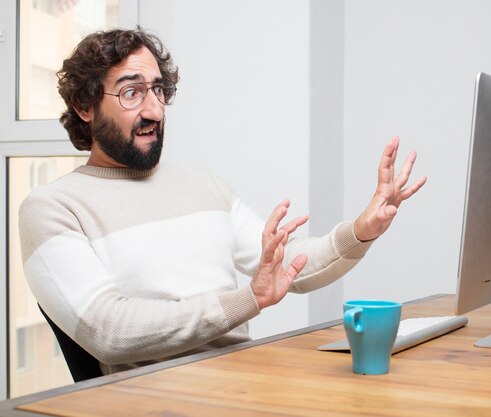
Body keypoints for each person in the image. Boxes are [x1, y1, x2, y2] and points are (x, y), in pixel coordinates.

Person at [19, 27, 427, 375]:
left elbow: (287, 271)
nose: (154, 110)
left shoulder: (203, 184)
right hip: (153, 399)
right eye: (132, 93)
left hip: (244, 379)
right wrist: (247, 300)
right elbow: (109, 332)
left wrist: (361, 230)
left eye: (159, 90)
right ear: (84, 106)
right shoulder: (52, 208)